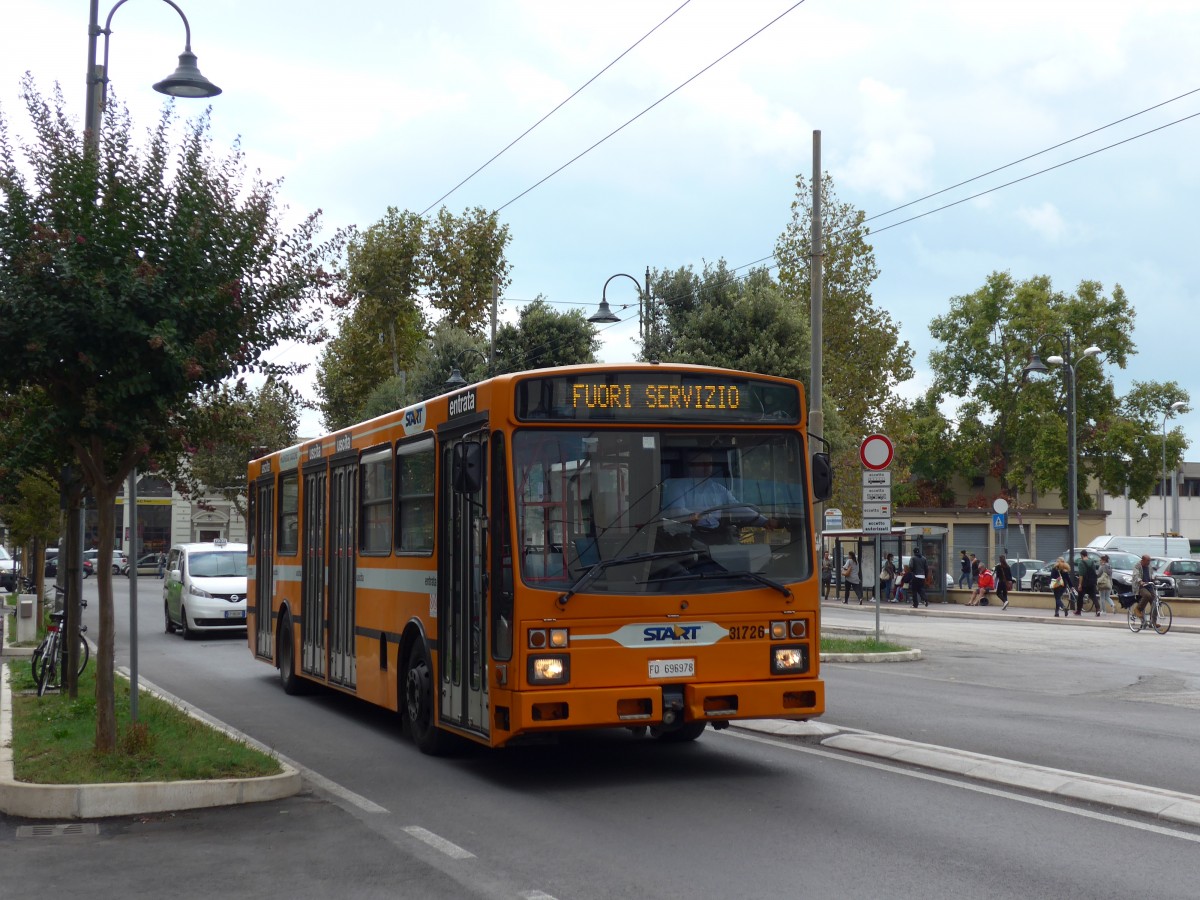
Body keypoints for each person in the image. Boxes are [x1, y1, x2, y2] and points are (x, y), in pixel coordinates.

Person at [661, 451, 768, 544]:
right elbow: (676, 510)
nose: (706, 467)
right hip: (689, 535)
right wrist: (691, 516)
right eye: (702, 464)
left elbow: (737, 507)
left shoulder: (718, 489)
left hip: (716, 534)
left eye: (709, 464)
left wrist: (764, 522)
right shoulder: (678, 486)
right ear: (691, 467)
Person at [1133, 553, 1158, 627]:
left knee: (1155, 602)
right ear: (1143, 560)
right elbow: (1136, 575)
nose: (1149, 562)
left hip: (1149, 586)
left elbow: (1152, 574)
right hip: (1140, 586)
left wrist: (1154, 579)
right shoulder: (1137, 566)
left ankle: (1153, 622)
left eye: (1149, 561)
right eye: (1147, 561)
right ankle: (1138, 609)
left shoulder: (1149, 566)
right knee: (1147, 595)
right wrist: (1140, 581)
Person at [1075, 548, 1099, 616]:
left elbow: (1081, 575)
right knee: (1093, 596)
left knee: (1080, 596)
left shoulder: (1081, 563)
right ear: (1087, 554)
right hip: (1092, 582)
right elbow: (1094, 572)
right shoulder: (1092, 562)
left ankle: (1078, 611)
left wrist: (1080, 584)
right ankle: (1098, 609)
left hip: (1084, 583)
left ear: (1082, 555)